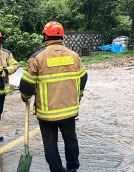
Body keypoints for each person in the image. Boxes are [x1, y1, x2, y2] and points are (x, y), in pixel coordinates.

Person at [19, 21, 88, 172]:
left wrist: (25, 97)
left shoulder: (37, 58)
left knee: (50, 144)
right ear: (62, 36)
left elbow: (26, 85)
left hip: (47, 113)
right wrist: (79, 95)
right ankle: (73, 169)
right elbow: (83, 77)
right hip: (69, 110)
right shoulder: (74, 56)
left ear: (45, 37)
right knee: (71, 139)